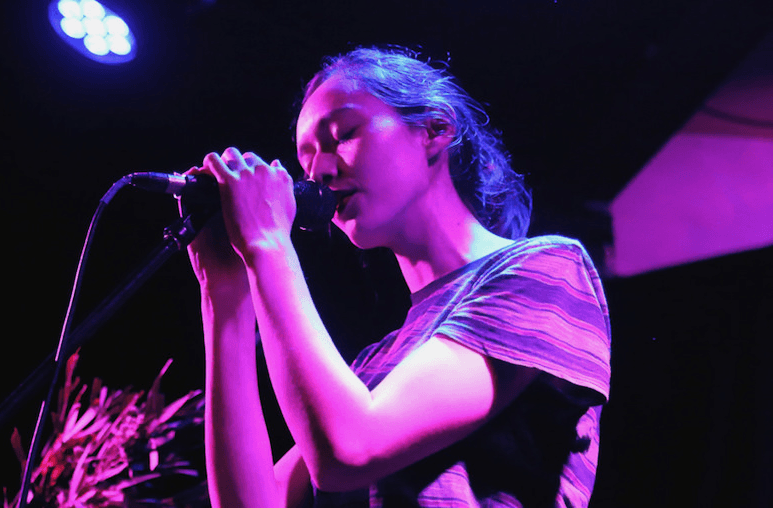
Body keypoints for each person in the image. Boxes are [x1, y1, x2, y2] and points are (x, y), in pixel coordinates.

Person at [183, 46, 611, 507]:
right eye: (306, 162)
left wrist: (268, 245)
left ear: (434, 129)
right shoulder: (372, 368)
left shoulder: (548, 271)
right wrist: (223, 296)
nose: (319, 172)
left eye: (342, 134)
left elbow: (350, 449)